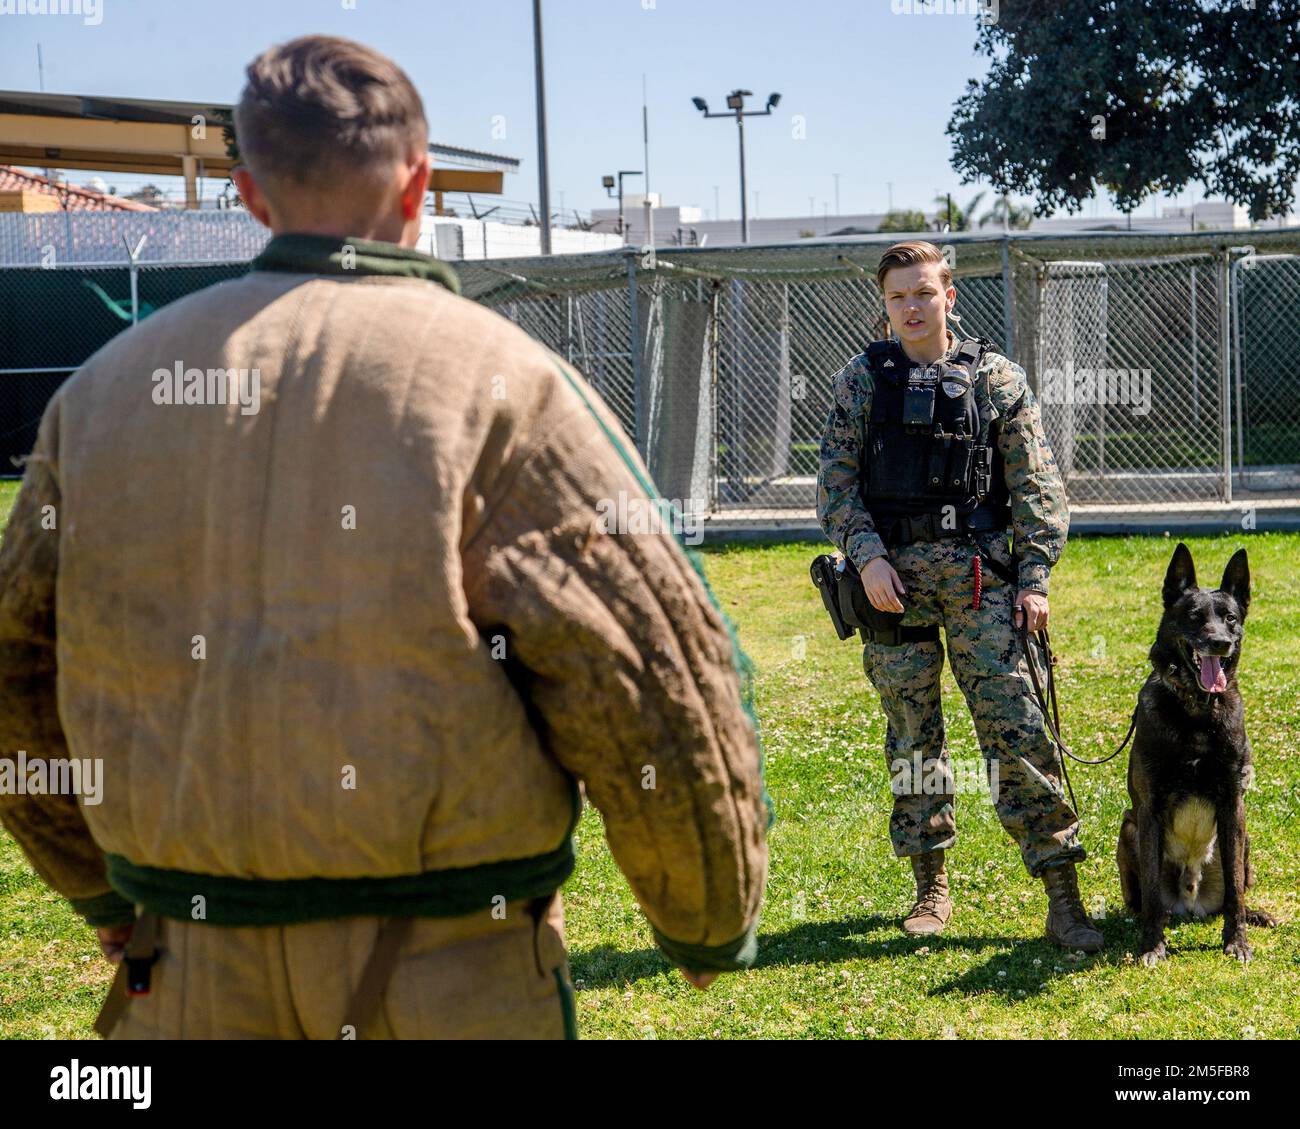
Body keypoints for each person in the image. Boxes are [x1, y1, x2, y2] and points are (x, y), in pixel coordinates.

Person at [0, 35, 768, 1040]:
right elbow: (645, 676)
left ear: (250, 195)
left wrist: (99, 887)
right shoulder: (501, 382)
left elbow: (16, 673)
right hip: (449, 971)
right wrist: (703, 914)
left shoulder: (99, 396)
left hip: (186, 970)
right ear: (417, 184)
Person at [817, 239, 1102, 952]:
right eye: (898, 297)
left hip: (982, 582)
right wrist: (868, 558)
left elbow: (1037, 488)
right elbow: (836, 489)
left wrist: (1033, 579)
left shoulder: (996, 379)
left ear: (949, 296)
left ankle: (1062, 895)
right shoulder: (860, 381)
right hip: (893, 588)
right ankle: (930, 886)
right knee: (912, 735)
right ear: (885, 306)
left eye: (923, 292)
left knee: (1017, 728)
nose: (911, 307)